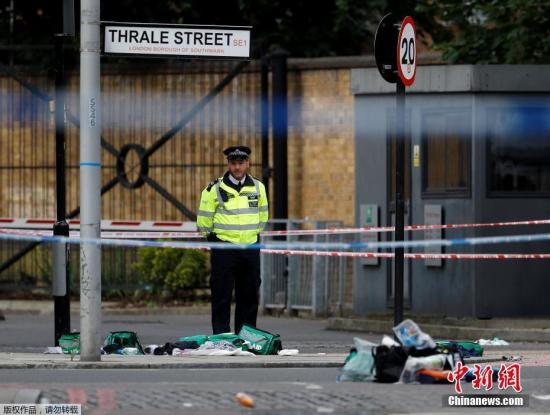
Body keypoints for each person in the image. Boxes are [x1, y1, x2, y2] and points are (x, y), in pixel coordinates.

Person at [196, 145, 269, 334]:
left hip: (250, 247)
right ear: (228, 164)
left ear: (248, 164)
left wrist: (251, 236)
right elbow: (204, 219)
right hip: (224, 247)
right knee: (222, 295)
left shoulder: (258, 187)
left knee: (249, 295)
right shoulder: (214, 188)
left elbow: (263, 217)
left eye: (241, 163)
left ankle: (246, 336)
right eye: (234, 163)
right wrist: (214, 240)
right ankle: (222, 336)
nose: (237, 167)